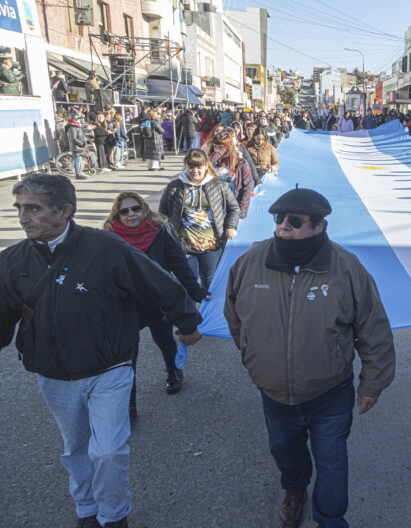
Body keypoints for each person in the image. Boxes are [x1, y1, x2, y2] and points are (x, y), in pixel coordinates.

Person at [0, 174, 202, 528]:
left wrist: (188, 321)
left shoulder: (106, 247)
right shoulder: (12, 261)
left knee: (107, 450)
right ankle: (86, 510)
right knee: (76, 449)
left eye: (33, 208)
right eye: (19, 208)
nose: (23, 217)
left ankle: (114, 515)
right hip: (54, 375)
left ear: (65, 211)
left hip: (110, 368)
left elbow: (158, 282)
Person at [224, 188, 395, 528]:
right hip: (273, 394)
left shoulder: (347, 269)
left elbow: (374, 330)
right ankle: (295, 488)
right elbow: (234, 316)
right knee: (285, 451)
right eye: (278, 219)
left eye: (295, 221)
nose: (283, 226)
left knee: (332, 461)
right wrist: (254, 357)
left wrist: (372, 384)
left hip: (329, 394)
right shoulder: (249, 262)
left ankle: (330, 519)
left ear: (319, 225)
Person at [103, 192, 209, 418]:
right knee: (127, 355)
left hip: (157, 301)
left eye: (136, 208)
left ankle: (173, 372)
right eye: (125, 211)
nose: (131, 214)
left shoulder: (160, 230)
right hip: (126, 305)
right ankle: (128, 406)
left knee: (164, 339)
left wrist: (195, 290)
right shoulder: (109, 237)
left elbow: (179, 264)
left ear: (144, 209)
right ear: (117, 214)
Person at [159, 149, 240, 290]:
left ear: (206, 166)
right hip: (184, 245)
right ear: (185, 166)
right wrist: (167, 235)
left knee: (209, 280)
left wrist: (231, 226)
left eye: (199, 167)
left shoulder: (218, 186)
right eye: (191, 167)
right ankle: (189, 310)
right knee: (187, 282)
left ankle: (206, 310)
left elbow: (234, 208)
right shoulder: (174, 187)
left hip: (212, 245)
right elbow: (163, 213)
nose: (195, 171)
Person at [210, 132, 254, 219]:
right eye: (215, 147)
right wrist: (212, 160)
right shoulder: (211, 162)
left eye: (220, 147)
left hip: (230, 209)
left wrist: (241, 211)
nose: (217, 150)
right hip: (212, 207)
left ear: (228, 147)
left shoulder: (241, 163)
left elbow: (247, 188)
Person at [64, 112, 90, 180]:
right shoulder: (72, 128)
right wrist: (81, 144)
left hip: (78, 146)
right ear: (74, 120)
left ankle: (79, 172)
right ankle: (78, 174)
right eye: (78, 119)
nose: (79, 120)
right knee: (77, 160)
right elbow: (74, 138)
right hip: (76, 147)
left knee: (77, 159)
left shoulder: (76, 126)